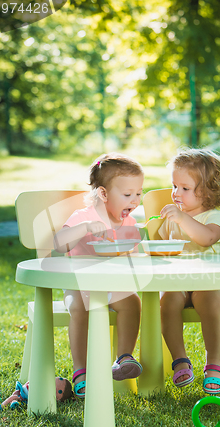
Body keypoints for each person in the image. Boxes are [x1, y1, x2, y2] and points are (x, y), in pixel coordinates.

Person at [54, 153, 144, 398]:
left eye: (139, 193)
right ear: (104, 194)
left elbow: (133, 259)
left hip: (111, 286)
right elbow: (59, 244)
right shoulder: (82, 217)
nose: (134, 200)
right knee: (79, 309)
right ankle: (80, 371)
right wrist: (83, 229)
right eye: (127, 195)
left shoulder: (129, 223)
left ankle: (123, 358)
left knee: (132, 302)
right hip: (79, 284)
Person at [158, 148, 220, 395]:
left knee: (209, 303)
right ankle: (180, 361)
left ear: (207, 190)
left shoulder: (214, 217)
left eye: (184, 188)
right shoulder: (174, 219)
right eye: (174, 186)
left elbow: (206, 238)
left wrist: (181, 219)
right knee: (166, 301)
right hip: (179, 281)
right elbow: (166, 251)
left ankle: (213, 365)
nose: (176, 193)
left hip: (210, 283)